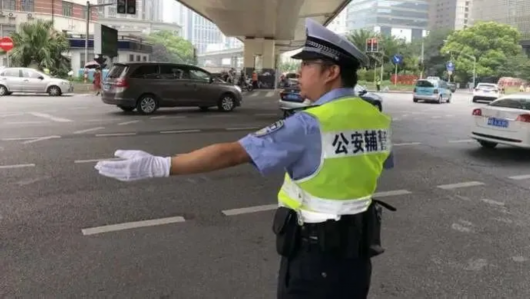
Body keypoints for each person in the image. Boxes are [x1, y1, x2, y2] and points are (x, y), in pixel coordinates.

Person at [94, 18, 394, 299]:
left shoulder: (309, 124)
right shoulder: (376, 118)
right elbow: (367, 167)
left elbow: (233, 153)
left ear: (331, 72)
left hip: (316, 261)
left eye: (306, 65)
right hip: (358, 257)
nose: (298, 72)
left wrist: (158, 165)